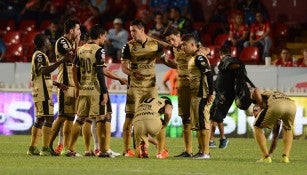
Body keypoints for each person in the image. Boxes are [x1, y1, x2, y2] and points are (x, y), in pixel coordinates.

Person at [120, 19, 168, 157]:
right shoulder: (128, 46)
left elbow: (165, 60)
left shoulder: (155, 45)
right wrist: (131, 73)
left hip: (150, 87)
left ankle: (160, 150)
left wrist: (178, 66)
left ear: (142, 29)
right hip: (134, 87)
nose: (132, 34)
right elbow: (123, 67)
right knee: (130, 118)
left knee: (156, 117)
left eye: (134, 31)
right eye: (130, 31)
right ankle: (127, 149)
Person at [66, 24, 108, 157]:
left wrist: (78, 86)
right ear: (100, 36)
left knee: (79, 119)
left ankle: (71, 149)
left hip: (83, 88)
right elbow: (100, 72)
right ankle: (102, 150)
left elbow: (74, 69)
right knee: (101, 119)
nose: (105, 39)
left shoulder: (80, 49)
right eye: (104, 36)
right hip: (95, 89)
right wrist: (105, 92)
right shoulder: (99, 50)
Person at [27, 34, 67, 156]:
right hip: (43, 92)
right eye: (48, 40)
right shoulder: (39, 55)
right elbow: (43, 70)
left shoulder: (40, 55)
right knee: (49, 118)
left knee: (40, 119)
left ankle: (32, 148)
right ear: (43, 42)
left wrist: (56, 83)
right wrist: (61, 61)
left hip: (41, 90)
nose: (49, 42)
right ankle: (45, 148)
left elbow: (43, 76)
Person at [48, 18, 81, 155]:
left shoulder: (71, 42)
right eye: (78, 29)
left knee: (70, 117)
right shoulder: (62, 41)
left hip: (73, 84)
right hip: (65, 84)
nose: (79, 32)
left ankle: (66, 147)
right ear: (71, 30)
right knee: (62, 115)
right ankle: (48, 145)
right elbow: (73, 57)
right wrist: (78, 43)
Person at [161, 26, 193, 157]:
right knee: (185, 118)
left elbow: (203, 51)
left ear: (179, 35)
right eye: (169, 41)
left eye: (173, 39)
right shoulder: (175, 48)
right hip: (182, 86)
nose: (172, 43)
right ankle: (188, 151)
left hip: (194, 86)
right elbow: (178, 65)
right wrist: (165, 61)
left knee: (200, 119)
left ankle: (205, 151)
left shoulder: (190, 45)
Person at [181, 34, 214, 159]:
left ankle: (205, 153)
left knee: (203, 123)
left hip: (202, 95)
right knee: (198, 124)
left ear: (192, 44)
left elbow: (209, 74)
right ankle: (201, 151)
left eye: (184, 45)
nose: (182, 47)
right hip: (195, 95)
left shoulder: (199, 57)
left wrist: (211, 92)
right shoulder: (194, 57)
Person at [209, 45, 245, 149]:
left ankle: (211, 140)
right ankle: (222, 138)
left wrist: (235, 65)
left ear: (221, 54)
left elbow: (237, 64)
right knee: (215, 116)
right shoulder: (225, 63)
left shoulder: (228, 60)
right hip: (220, 94)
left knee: (216, 117)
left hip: (225, 95)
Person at [251, 88, 296, 163]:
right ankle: (286, 157)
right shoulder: (273, 115)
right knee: (288, 129)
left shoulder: (265, 98)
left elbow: (256, 90)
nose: (255, 114)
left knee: (256, 127)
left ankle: (265, 157)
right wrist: (270, 153)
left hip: (277, 105)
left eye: (255, 110)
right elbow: (275, 137)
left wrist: (261, 104)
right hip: (292, 105)